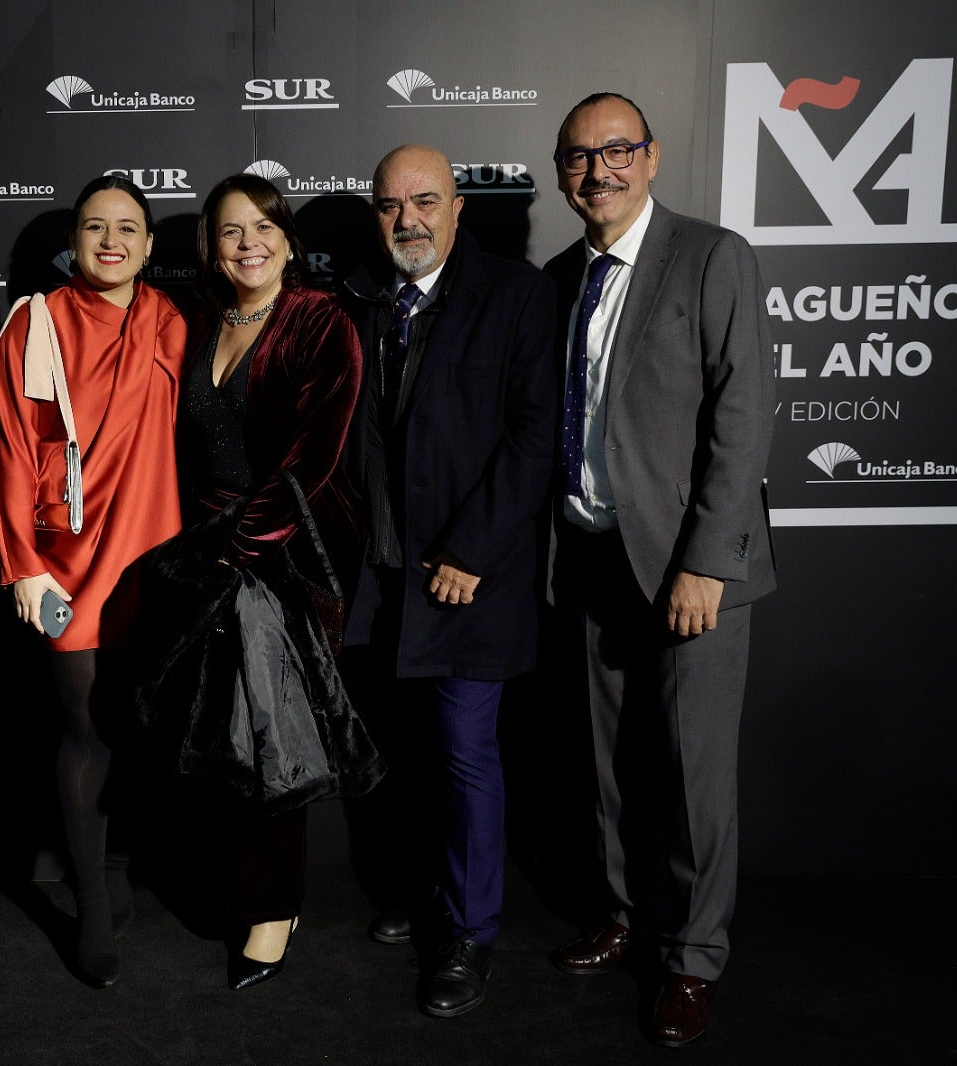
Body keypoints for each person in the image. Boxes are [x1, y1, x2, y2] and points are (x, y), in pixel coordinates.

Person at [542, 92, 775, 1047]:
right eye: (578, 157)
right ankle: (627, 915)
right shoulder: (560, 275)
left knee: (692, 775)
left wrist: (708, 564)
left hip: (689, 569)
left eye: (617, 151)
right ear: (561, 171)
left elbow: (743, 414)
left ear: (651, 156)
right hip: (591, 555)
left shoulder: (711, 255)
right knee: (609, 766)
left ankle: (692, 956)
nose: (598, 171)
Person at [338, 144, 557, 1018]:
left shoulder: (516, 294)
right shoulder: (360, 299)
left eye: (424, 202)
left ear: (458, 208)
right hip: (385, 579)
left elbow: (534, 436)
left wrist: (469, 551)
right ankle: (432, 893)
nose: (408, 221)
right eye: (391, 206)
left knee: (468, 753)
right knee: (410, 750)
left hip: (472, 576)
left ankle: (471, 931)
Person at [163, 173, 367, 990]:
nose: (247, 244)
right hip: (207, 550)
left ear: (286, 236)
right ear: (210, 248)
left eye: (261, 227)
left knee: (270, 733)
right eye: (229, 232)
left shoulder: (321, 320)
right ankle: (244, 888)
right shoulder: (203, 322)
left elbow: (315, 455)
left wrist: (240, 548)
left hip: (285, 548)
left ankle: (275, 908)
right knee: (223, 732)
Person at [0, 175, 184, 988]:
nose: (111, 240)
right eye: (95, 226)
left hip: (156, 556)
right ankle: (91, 914)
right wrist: (22, 566)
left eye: (128, 228)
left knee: (140, 728)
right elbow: (6, 448)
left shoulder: (173, 321)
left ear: (148, 244)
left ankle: (113, 868)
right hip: (68, 559)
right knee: (86, 732)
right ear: (74, 238)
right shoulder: (36, 321)